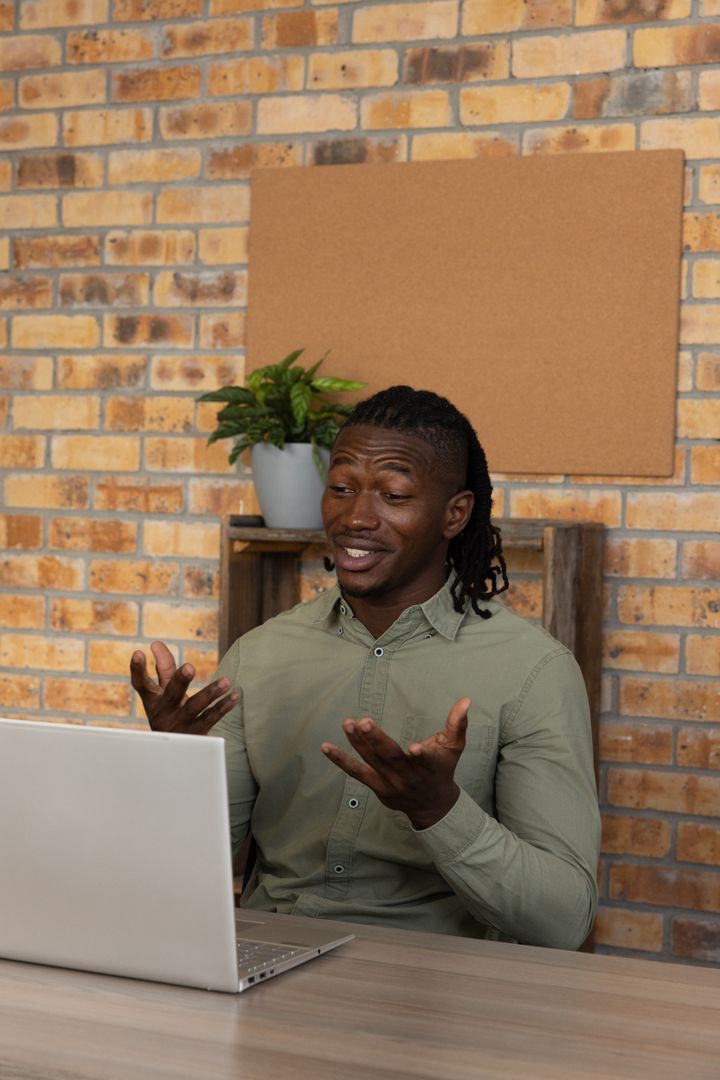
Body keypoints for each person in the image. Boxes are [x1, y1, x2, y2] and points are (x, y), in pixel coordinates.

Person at [131, 386, 600, 949]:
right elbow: (178, 879)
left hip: (441, 978)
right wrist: (177, 767)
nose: (356, 518)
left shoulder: (534, 671)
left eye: (393, 495)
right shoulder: (259, 655)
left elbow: (562, 921)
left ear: (455, 514)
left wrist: (439, 810)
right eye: (341, 489)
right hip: (272, 958)